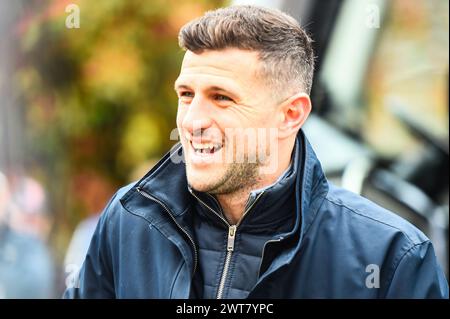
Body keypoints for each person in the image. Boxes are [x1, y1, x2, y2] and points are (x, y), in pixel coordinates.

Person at [63, 5, 448, 298]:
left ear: (290, 115)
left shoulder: (391, 256)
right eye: (186, 95)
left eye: (222, 98)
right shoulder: (128, 222)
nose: (193, 121)